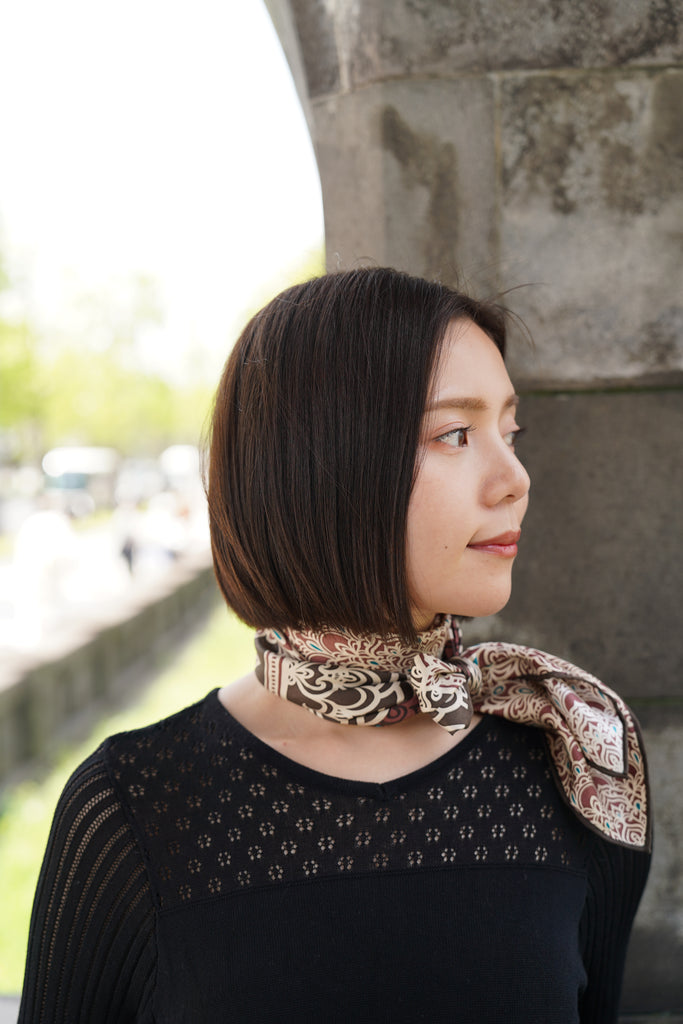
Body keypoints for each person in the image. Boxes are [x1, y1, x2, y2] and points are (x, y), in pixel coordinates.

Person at [19, 267, 651, 1023]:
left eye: (509, 433)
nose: (514, 478)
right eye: (455, 434)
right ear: (321, 464)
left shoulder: (572, 751)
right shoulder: (137, 808)